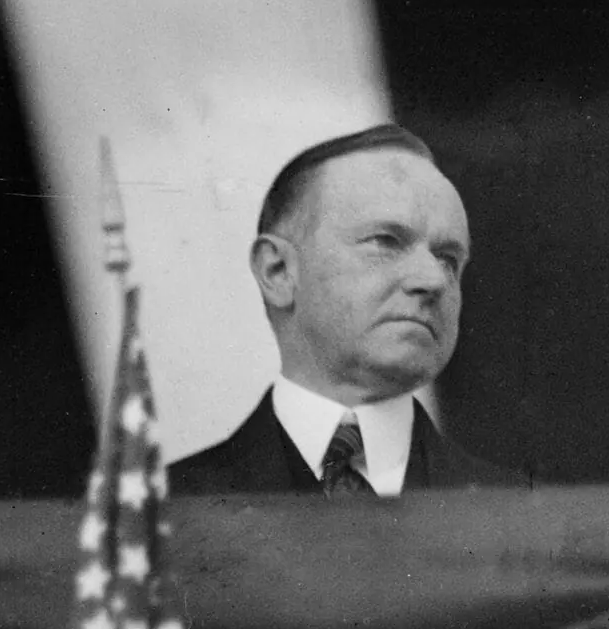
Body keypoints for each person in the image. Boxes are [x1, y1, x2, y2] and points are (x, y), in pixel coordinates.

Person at [169, 125, 523, 496]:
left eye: (449, 259)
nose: (433, 280)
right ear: (278, 272)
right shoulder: (158, 511)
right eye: (386, 241)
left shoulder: (525, 518)